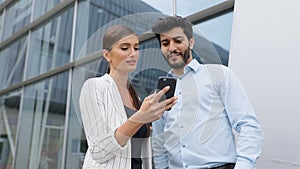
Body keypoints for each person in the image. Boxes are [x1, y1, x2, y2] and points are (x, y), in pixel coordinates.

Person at [151, 15, 264, 169]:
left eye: (178, 40)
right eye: (165, 43)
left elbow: (248, 126)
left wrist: (243, 165)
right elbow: (159, 142)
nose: (171, 48)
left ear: (191, 42)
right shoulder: (159, 93)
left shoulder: (220, 75)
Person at [79, 25, 177, 169]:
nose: (133, 54)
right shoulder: (94, 86)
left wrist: (150, 122)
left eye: (136, 48)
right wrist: (141, 117)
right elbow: (99, 151)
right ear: (107, 55)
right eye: (125, 48)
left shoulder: (135, 98)